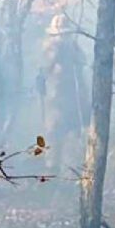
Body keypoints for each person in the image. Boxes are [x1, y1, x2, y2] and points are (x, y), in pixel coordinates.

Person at [39, 14, 90, 171]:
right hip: (56, 101)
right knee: (54, 136)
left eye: (65, 35)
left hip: (75, 100)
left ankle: (72, 171)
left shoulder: (74, 47)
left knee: (75, 136)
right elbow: (44, 69)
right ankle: (51, 170)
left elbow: (83, 61)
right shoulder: (50, 48)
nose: (61, 38)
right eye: (59, 35)